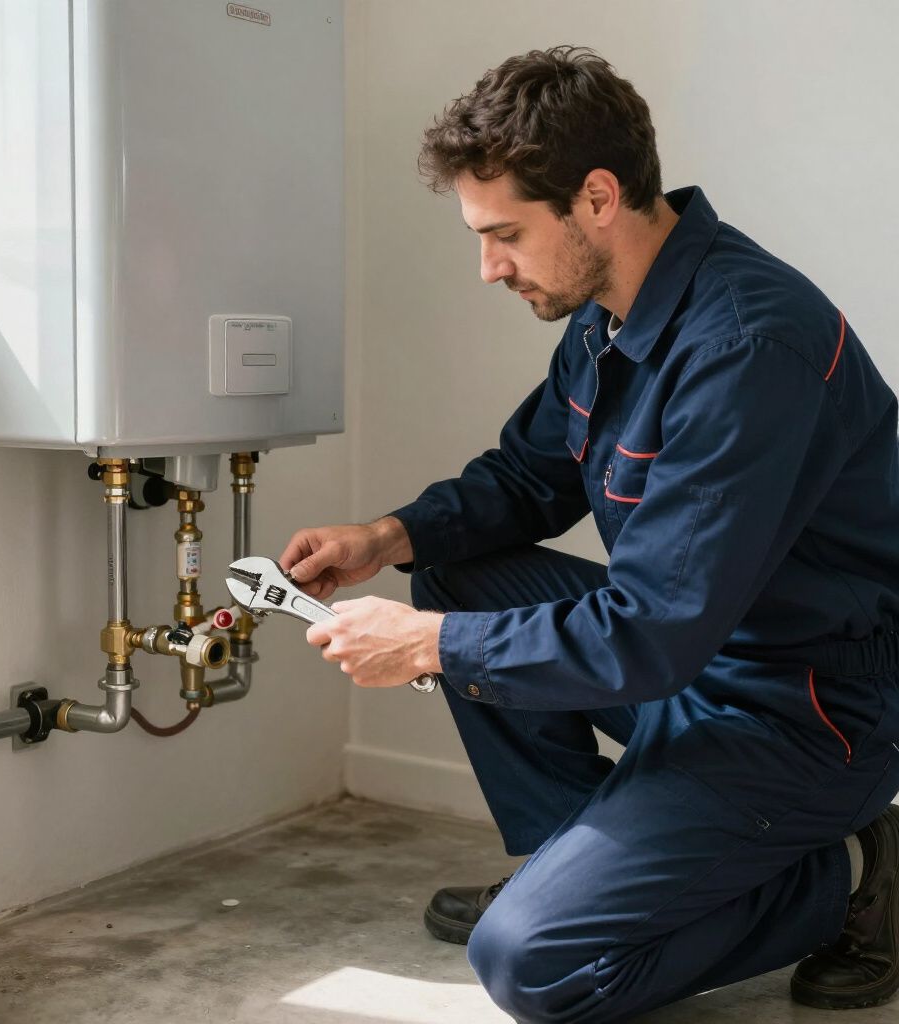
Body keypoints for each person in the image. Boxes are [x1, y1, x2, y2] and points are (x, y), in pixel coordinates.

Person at [278, 46, 899, 1023]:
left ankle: (846, 868)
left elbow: (649, 630)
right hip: (691, 667)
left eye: (506, 235)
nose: (489, 268)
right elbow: (530, 477)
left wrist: (426, 647)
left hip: (796, 716)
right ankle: (579, 865)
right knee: (454, 568)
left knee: (530, 964)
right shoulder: (610, 316)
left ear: (596, 198)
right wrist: (384, 536)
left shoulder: (746, 342)